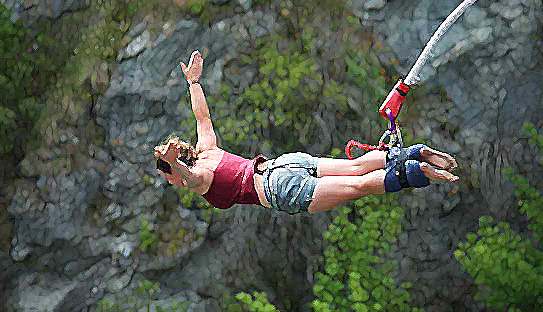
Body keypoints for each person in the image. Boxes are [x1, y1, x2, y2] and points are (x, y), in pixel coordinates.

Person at [154, 51, 459, 215]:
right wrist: (193, 82)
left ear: (174, 172)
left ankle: (418, 172)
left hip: (280, 189)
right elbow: (202, 117)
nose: (173, 183)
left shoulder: (198, 179)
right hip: (284, 163)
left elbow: (191, 178)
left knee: (358, 187)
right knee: (354, 167)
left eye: (169, 178)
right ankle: (413, 153)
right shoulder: (208, 149)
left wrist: (174, 164)